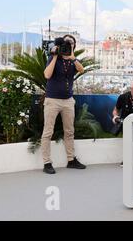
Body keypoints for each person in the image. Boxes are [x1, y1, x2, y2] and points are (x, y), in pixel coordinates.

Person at [41, 34, 86, 174]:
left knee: (69, 131)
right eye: (66, 43)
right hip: (52, 100)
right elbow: (47, 75)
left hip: (68, 101)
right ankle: (47, 163)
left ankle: (71, 160)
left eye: (71, 43)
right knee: (48, 132)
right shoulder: (53, 58)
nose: (68, 45)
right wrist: (55, 56)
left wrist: (73, 58)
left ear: (74, 46)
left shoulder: (73, 61)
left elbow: (82, 70)